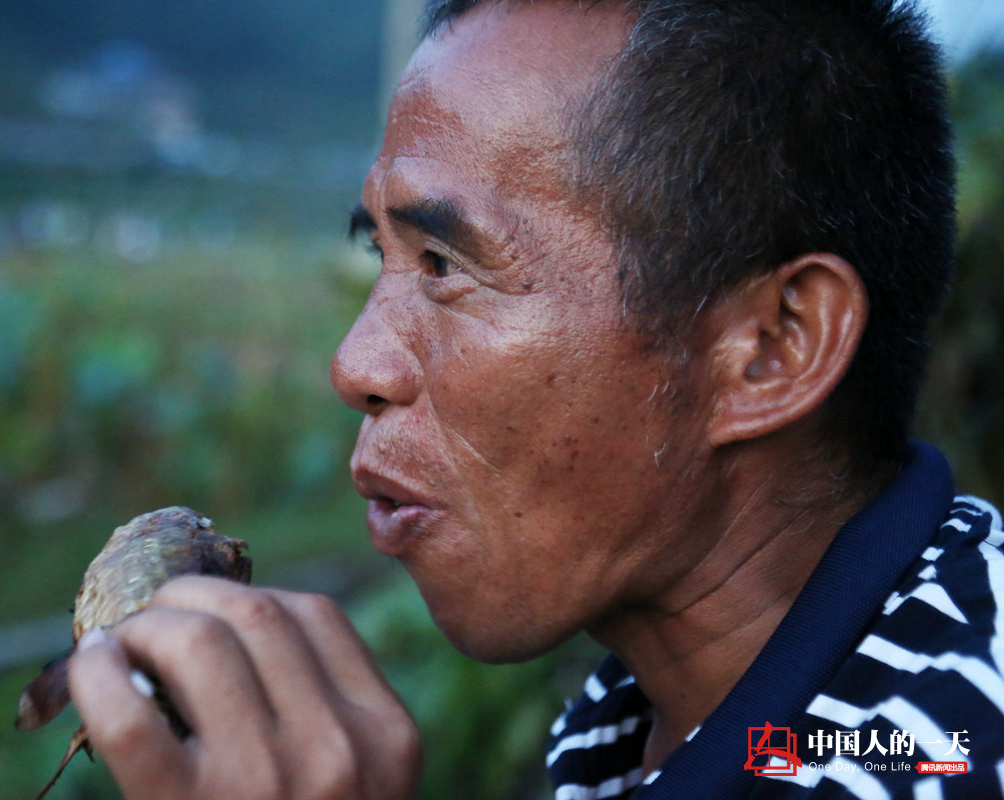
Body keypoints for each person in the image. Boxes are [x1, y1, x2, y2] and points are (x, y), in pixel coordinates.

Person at [68, 0, 1004, 797]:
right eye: (379, 256)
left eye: (444, 263)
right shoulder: (664, 719)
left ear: (771, 347)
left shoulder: (952, 747)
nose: (355, 363)